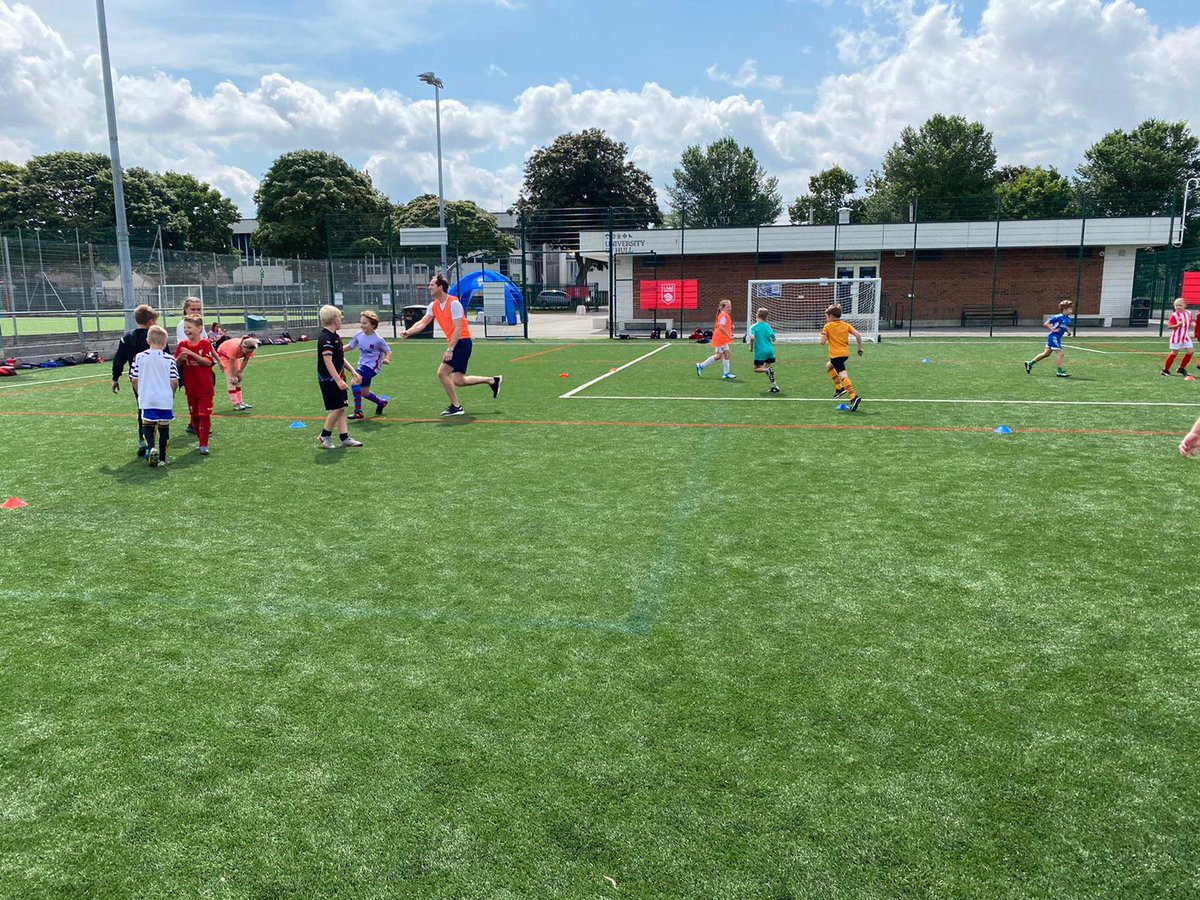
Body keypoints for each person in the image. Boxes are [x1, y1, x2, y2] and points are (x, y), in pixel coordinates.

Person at [399, 274, 502, 417]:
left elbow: (458, 329)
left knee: (442, 373)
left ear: (441, 287)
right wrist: (408, 332)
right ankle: (492, 380)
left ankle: (456, 406)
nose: (429, 287)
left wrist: (450, 349)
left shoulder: (454, 304)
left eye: (432, 284)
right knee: (458, 380)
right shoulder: (433, 305)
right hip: (456, 343)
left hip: (462, 342)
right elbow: (423, 323)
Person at [111, 303, 163, 458]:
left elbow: (118, 360)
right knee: (157, 410)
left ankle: (143, 442)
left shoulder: (127, 337)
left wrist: (115, 378)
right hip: (155, 379)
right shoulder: (156, 336)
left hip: (136, 379)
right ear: (151, 321)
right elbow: (166, 357)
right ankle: (151, 444)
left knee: (142, 408)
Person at [129, 325, 179, 467]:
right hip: (164, 398)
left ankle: (151, 447)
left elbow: (134, 378)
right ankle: (162, 458)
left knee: (147, 425)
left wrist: (140, 394)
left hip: (147, 398)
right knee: (164, 427)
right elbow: (174, 381)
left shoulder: (139, 357)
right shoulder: (169, 359)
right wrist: (172, 394)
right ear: (165, 343)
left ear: (147, 340)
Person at [315, 305, 363, 449]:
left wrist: (352, 371)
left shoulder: (335, 337)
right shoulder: (326, 338)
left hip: (338, 377)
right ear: (335, 320)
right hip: (329, 380)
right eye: (340, 318)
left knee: (341, 407)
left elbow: (340, 357)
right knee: (337, 408)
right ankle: (324, 436)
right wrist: (337, 380)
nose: (341, 320)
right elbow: (327, 361)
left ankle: (344, 437)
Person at [174, 313, 216, 454]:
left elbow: (207, 362)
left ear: (199, 328)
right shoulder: (182, 345)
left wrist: (192, 355)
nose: (186, 330)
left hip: (205, 387)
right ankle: (200, 440)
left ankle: (204, 444)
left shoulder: (205, 344)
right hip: (191, 388)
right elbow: (175, 364)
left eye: (189, 327)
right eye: (185, 327)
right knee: (195, 417)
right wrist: (180, 358)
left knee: (204, 415)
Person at [347, 310, 391, 418]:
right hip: (362, 365)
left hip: (372, 367)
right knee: (364, 392)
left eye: (365, 323)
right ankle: (381, 403)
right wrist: (337, 349)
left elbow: (388, 351)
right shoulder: (358, 335)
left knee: (355, 380)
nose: (362, 325)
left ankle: (358, 411)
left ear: (373, 325)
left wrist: (386, 359)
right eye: (361, 322)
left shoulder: (378, 339)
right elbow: (350, 346)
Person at [820, 304, 863, 411]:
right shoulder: (846, 325)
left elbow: (822, 342)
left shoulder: (827, 326)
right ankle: (839, 389)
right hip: (844, 354)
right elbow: (858, 335)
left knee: (843, 374)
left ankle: (853, 397)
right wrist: (859, 348)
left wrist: (824, 335)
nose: (826, 318)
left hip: (835, 355)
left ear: (831, 316)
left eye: (826, 316)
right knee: (829, 367)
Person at [1025, 299, 1073, 377]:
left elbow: (1064, 325)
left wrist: (1068, 331)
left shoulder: (1068, 317)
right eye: (1070, 309)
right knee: (1061, 354)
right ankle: (1059, 372)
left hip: (1057, 337)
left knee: (1046, 354)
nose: (1071, 310)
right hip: (1054, 336)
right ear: (1064, 309)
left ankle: (1029, 363)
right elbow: (1046, 323)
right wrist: (1053, 330)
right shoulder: (1058, 317)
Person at [697, 299, 736, 379]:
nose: (730, 308)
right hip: (720, 339)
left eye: (730, 306)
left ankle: (726, 374)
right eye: (728, 307)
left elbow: (724, 325)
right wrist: (729, 336)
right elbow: (721, 327)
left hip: (723, 339)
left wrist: (731, 326)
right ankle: (701, 365)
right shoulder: (723, 315)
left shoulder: (725, 315)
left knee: (727, 354)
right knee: (718, 356)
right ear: (722, 308)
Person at [217, 335, 260, 410]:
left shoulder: (250, 347)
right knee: (232, 380)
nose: (247, 353)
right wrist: (233, 376)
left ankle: (240, 402)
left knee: (239, 379)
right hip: (224, 355)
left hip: (234, 357)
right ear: (243, 347)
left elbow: (245, 360)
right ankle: (236, 403)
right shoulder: (235, 347)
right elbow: (231, 362)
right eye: (246, 352)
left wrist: (240, 372)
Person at [747, 307, 780, 393]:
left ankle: (767, 370)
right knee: (768, 368)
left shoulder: (753, 327)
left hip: (761, 351)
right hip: (770, 350)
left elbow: (752, 337)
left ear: (757, 315)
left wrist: (751, 347)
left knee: (757, 369)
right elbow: (773, 338)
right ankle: (774, 386)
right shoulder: (767, 326)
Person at [1162, 298, 1194, 379]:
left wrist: (1195, 325)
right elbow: (1169, 326)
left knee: (1190, 351)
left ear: (1185, 306)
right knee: (1174, 353)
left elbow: (1190, 322)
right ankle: (1165, 370)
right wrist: (1177, 325)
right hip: (1176, 337)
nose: (1178, 307)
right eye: (1176, 305)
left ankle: (1181, 368)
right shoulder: (1174, 315)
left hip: (1185, 336)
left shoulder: (1188, 313)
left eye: (1180, 305)